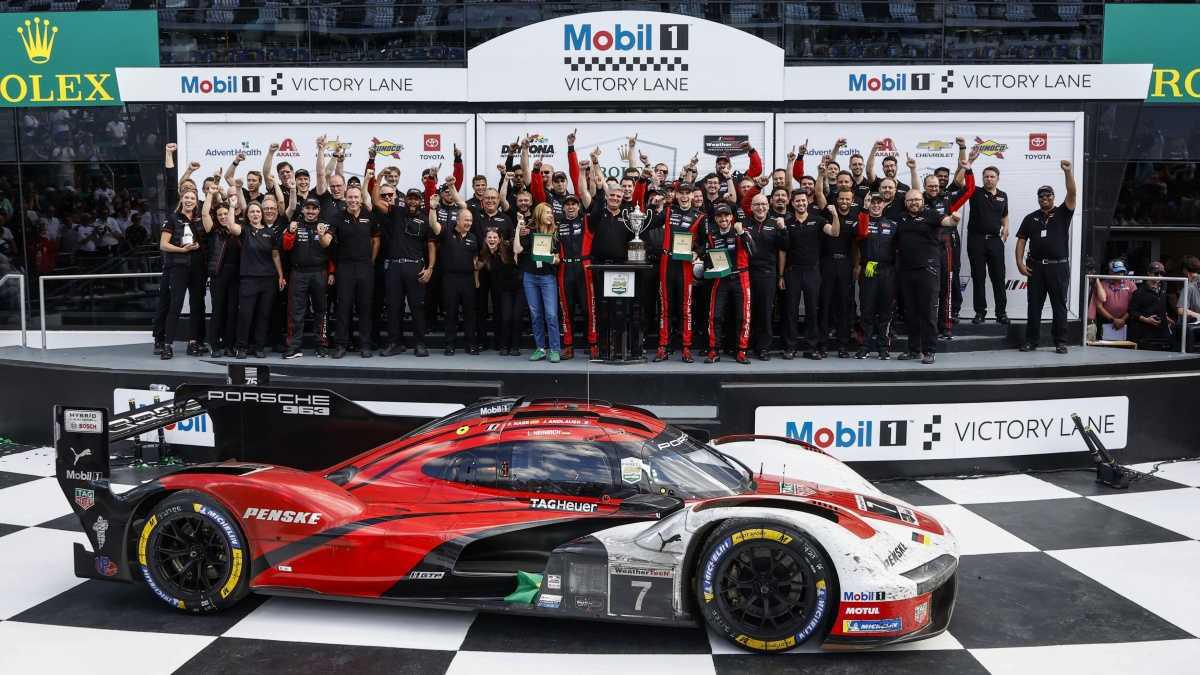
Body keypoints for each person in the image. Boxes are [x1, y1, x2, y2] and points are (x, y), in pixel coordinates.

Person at [894, 190, 963, 364]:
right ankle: (913, 350)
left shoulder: (931, 215)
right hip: (906, 271)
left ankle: (929, 351)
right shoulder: (901, 218)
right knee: (910, 313)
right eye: (910, 200)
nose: (913, 202)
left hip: (928, 270)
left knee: (928, 312)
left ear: (922, 200)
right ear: (905, 202)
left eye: (917, 199)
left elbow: (947, 221)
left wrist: (954, 218)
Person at [1016, 161, 1077, 354]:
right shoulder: (1030, 218)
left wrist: (1067, 172)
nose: (1044, 198)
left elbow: (1072, 193)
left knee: (1059, 306)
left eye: (1048, 195)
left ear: (1053, 197)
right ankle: (1031, 341)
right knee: (1034, 306)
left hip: (1058, 267)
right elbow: (1021, 241)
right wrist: (1019, 262)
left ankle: (1060, 342)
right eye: (1041, 196)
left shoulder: (1063, 213)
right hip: (1035, 267)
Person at [372, 183, 437, 358]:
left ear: (420, 201)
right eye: (410, 198)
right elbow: (375, 200)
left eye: (416, 198)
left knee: (417, 307)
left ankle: (420, 344)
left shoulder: (425, 219)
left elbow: (431, 245)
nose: (413, 201)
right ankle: (395, 343)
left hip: (415, 267)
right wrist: (377, 178)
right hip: (394, 266)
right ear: (405, 199)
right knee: (393, 307)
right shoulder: (396, 212)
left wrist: (430, 268)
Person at [780, 192, 840, 359]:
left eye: (803, 200)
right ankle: (790, 347)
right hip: (792, 272)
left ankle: (812, 347)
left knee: (812, 310)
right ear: (792, 203)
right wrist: (781, 275)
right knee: (790, 310)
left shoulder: (819, 220)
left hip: (812, 271)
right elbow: (782, 251)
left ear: (807, 202)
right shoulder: (787, 222)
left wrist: (835, 215)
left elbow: (834, 233)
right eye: (797, 201)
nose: (801, 203)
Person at [654, 182, 704, 363]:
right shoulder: (668, 211)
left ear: (692, 196)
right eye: (681, 193)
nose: (684, 196)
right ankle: (663, 346)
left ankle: (686, 347)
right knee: (665, 308)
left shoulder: (700, 216)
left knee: (686, 309)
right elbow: (648, 223)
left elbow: (706, 243)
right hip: (667, 263)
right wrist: (656, 205)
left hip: (684, 266)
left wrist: (696, 252)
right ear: (676, 195)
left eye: (687, 193)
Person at [228, 201, 284, 358]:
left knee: (263, 315)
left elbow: (275, 255)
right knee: (245, 314)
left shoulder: (270, 232)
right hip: (249, 279)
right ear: (248, 215)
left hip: (268, 280)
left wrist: (280, 275)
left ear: (262, 214)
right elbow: (232, 226)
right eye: (252, 212)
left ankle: (259, 347)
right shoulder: (245, 230)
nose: (255, 214)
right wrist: (232, 206)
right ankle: (241, 347)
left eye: (258, 212)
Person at [329, 185, 380, 359]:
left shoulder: (369, 216)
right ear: (345, 198)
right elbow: (327, 240)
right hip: (345, 268)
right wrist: (323, 236)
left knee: (365, 307)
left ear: (361, 199)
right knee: (343, 307)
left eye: (356, 197)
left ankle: (365, 345)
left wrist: (371, 261)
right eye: (350, 197)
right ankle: (341, 345)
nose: (353, 200)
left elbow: (376, 239)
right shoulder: (338, 217)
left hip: (365, 267)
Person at [702, 204, 754, 364]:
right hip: (721, 278)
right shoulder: (712, 235)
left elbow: (753, 251)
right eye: (720, 216)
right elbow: (708, 259)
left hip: (740, 276)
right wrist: (705, 266)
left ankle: (742, 351)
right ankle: (714, 350)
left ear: (732, 217)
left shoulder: (742, 232)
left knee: (743, 316)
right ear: (716, 219)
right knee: (715, 315)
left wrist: (741, 233)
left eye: (726, 216)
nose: (723, 219)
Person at [281, 198, 333, 359]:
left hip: (320, 273)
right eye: (308, 208)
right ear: (302, 210)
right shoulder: (295, 225)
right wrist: (290, 232)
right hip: (299, 273)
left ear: (319, 210)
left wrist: (332, 272)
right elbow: (286, 247)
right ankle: (294, 346)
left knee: (321, 311)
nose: (311, 211)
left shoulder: (326, 226)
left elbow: (332, 251)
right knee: (296, 311)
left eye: (314, 208)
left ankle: (322, 345)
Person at [158, 189, 206, 360]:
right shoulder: (173, 218)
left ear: (196, 201)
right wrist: (182, 250)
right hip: (178, 267)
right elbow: (163, 245)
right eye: (186, 197)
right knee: (175, 305)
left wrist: (199, 246)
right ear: (181, 199)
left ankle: (193, 343)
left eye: (192, 198)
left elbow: (205, 241)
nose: (189, 200)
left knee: (196, 306)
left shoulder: (200, 219)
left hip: (198, 268)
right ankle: (167, 345)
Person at [514, 203, 561, 362]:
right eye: (547, 212)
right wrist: (517, 229)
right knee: (535, 315)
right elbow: (517, 250)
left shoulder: (556, 232)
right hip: (530, 277)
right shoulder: (529, 231)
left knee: (551, 314)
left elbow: (558, 259)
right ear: (539, 213)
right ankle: (540, 348)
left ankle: (554, 349)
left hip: (548, 277)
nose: (550, 215)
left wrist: (547, 258)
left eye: (551, 212)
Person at [434, 200, 480, 355]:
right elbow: (434, 225)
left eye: (470, 220)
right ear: (458, 220)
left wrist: (477, 279)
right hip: (450, 279)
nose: (469, 223)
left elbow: (475, 260)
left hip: (468, 280)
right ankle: (450, 345)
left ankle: (471, 345)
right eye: (466, 220)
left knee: (470, 314)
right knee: (451, 313)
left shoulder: (473, 237)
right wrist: (433, 208)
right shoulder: (447, 232)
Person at [201, 190, 244, 357]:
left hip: (236, 276)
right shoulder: (213, 231)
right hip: (218, 275)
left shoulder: (239, 230)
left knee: (233, 311)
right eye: (220, 214)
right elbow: (205, 213)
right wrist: (210, 195)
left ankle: (229, 345)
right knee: (218, 310)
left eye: (226, 213)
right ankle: (215, 345)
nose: (223, 216)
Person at [855, 193, 898, 359]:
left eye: (879, 203)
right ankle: (864, 346)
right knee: (867, 309)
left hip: (888, 270)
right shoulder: (862, 221)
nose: (876, 206)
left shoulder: (892, 225)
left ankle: (883, 347)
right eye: (872, 203)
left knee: (885, 310)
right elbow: (861, 234)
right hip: (869, 268)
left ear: (884, 205)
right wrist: (864, 210)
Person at [967, 165, 1010, 324]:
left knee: (999, 277)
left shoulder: (1003, 195)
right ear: (982, 178)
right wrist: (968, 166)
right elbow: (959, 181)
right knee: (978, 278)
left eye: (992, 176)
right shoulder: (974, 192)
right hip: (976, 240)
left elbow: (1005, 215)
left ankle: (1001, 313)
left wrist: (1006, 226)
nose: (989, 179)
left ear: (997, 178)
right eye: (986, 176)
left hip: (995, 241)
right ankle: (980, 313)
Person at [744, 193, 785, 360]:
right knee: (747, 310)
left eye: (763, 204)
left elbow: (785, 247)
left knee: (765, 312)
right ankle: (745, 345)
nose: (760, 208)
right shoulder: (744, 224)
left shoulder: (775, 224)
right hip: (746, 273)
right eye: (757, 205)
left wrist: (783, 230)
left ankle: (763, 348)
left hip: (767, 274)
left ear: (768, 206)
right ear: (751, 207)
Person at [556, 193, 592, 360]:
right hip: (565, 268)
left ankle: (592, 344)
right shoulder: (557, 223)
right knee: (566, 309)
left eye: (574, 204)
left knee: (588, 309)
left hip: (583, 268)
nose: (570, 207)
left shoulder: (587, 221)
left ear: (579, 206)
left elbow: (591, 201)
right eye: (567, 204)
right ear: (563, 207)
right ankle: (568, 346)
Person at [480, 229, 523, 355]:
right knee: (505, 317)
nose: (492, 240)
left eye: (494, 237)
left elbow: (518, 250)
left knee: (516, 317)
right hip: (504, 290)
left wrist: (518, 229)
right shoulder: (486, 253)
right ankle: (504, 346)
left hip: (518, 287)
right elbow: (477, 266)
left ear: (499, 239)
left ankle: (515, 347)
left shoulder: (507, 247)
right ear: (485, 239)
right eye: (489, 237)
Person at [1129, 262, 1175, 350]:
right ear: (1149, 273)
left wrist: (1165, 316)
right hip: (1146, 334)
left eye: (1162, 274)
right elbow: (1132, 311)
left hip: (1162, 332)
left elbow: (1160, 304)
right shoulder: (1139, 291)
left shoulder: (1164, 286)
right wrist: (1146, 320)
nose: (1159, 276)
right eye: (1156, 273)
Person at [1092, 259, 1136, 340]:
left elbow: (1134, 305)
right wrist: (1113, 320)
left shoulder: (1130, 284)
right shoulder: (1102, 284)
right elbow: (1099, 306)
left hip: (1126, 321)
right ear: (1110, 272)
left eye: (1122, 271)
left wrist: (1122, 320)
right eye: (1117, 272)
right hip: (1106, 320)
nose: (1120, 274)